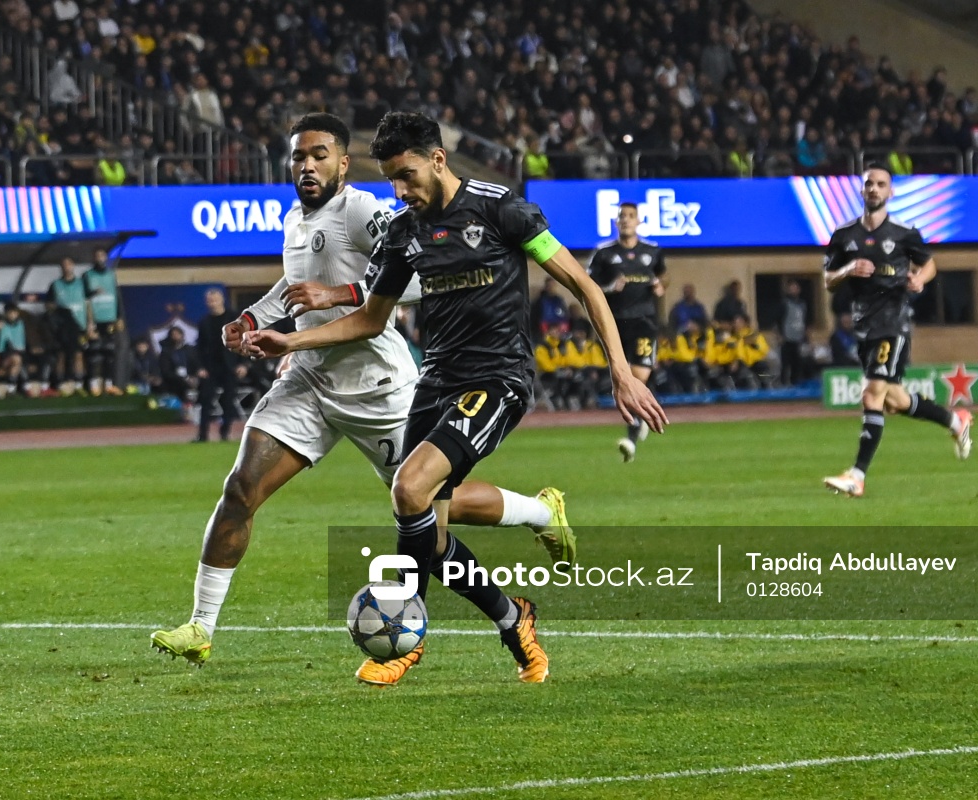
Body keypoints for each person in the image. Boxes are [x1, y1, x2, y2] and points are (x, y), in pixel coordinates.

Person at [241, 111, 666, 686]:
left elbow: (583, 284)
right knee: (429, 533)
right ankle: (514, 618)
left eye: (409, 175)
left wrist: (621, 371)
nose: (400, 191)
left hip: (497, 381)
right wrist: (289, 339)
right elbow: (369, 318)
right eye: (391, 179)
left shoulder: (501, 209)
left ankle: (403, 644)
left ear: (438, 160)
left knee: (409, 487)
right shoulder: (402, 231)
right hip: (436, 382)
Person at [150, 113, 579, 674]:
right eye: (299, 156)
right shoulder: (296, 223)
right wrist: (253, 317)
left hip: (377, 387)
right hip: (307, 377)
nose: (307, 165)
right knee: (241, 487)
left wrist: (337, 294)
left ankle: (534, 518)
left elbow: (421, 276)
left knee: (427, 511)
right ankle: (201, 627)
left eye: (319, 155)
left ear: (343, 163)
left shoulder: (367, 212)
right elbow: (293, 284)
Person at [822, 163, 972, 498]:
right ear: (862, 191)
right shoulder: (844, 235)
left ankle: (857, 476)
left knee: (871, 394)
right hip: (864, 327)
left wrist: (920, 278)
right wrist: (847, 269)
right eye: (869, 184)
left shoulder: (903, 233)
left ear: (891, 192)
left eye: (880, 184)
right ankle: (955, 422)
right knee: (894, 400)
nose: (873, 189)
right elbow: (828, 280)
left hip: (894, 322)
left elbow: (929, 263)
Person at [586, 200, 668, 462]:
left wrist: (660, 286)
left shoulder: (652, 251)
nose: (626, 220)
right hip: (615, 323)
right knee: (625, 377)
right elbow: (589, 285)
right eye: (622, 216)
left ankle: (632, 435)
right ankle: (640, 420)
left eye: (631, 216)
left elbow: (663, 276)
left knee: (638, 376)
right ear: (616, 221)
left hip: (644, 321)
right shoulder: (604, 253)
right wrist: (611, 288)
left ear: (639, 221)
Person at [193, 288, 241, 442]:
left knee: (228, 400)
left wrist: (244, 364)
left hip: (230, 366)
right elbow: (199, 347)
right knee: (205, 400)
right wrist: (200, 367)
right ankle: (202, 435)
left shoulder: (234, 319)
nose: (211, 303)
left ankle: (225, 432)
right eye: (209, 300)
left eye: (214, 299)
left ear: (222, 300)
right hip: (210, 368)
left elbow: (244, 341)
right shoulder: (204, 322)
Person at [83, 249, 124, 396]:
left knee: (110, 353)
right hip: (95, 320)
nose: (100, 258)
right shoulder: (87, 275)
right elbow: (83, 297)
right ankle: (93, 385)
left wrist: (119, 317)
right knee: (94, 353)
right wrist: (88, 322)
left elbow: (116, 296)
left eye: (102, 255)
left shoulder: (111, 274)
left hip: (109, 319)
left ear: (106, 257)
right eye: (97, 255)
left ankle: (109, 385)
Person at [47, 258, 89, 392]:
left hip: (79, 325)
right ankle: (60, 383)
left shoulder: (81, 284)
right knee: (61, 354)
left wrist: (90, 323)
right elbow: (49, 304)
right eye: (64, 265)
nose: (67, 267)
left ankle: (78, 383)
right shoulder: (55, 285)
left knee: (78, 354)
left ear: (73, 266)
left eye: (69, 264)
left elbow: (88, 304)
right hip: (62, 327)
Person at [777, 279, 808, 386]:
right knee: (785, 364)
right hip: (787, 338)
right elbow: (778, 319)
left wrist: (806, 337)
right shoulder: (784, 303)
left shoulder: (802, 304)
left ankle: (796, 384)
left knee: (797, 363)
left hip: (798, 338)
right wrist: (780, 335)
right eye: (792, 287)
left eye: (796, 287)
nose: (794, 290)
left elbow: (805, 321)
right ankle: (783, 384)